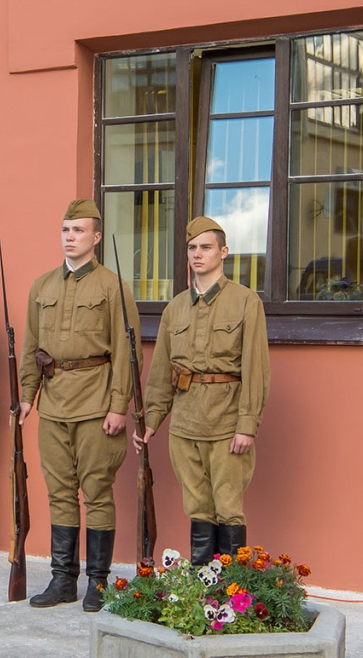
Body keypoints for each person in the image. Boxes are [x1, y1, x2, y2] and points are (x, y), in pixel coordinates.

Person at [18, 199, 141, 611]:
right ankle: (62, 580)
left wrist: (118, 405)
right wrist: (25, 396)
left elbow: (126, 350)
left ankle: (99, 582)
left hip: (95, 403)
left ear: (96, 237)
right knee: (59, 493)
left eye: (78, 231)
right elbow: (31, 347)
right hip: (53, 405)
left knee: (98, 493)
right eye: (65, 230)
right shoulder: (43, 285)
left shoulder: (112, 286)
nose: (70, 238)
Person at [136, 216, 270, 566]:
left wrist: (247, 424)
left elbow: (256, 369)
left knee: (228, 507)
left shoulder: (244, 302)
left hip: (226, 423)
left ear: (223, 252)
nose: (198, 254)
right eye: (192, 248)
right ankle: (202, 584)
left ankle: (231, 592)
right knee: (197, 505)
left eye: (206, 247)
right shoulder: (175, 308)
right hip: (184, 423)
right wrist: (151, 421)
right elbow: (162, 372)